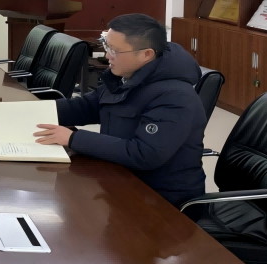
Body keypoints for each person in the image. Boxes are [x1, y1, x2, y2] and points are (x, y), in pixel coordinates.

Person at [33, 13, 206, 206]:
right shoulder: (125, 76)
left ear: (146, 54)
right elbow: (88, 106)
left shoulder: (175, 97)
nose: (107, 56)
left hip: (161, 200)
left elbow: (145, 154)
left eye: (114, 51)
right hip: (120, 179)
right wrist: (34, 111)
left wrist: (74, 138)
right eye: (107, 46)